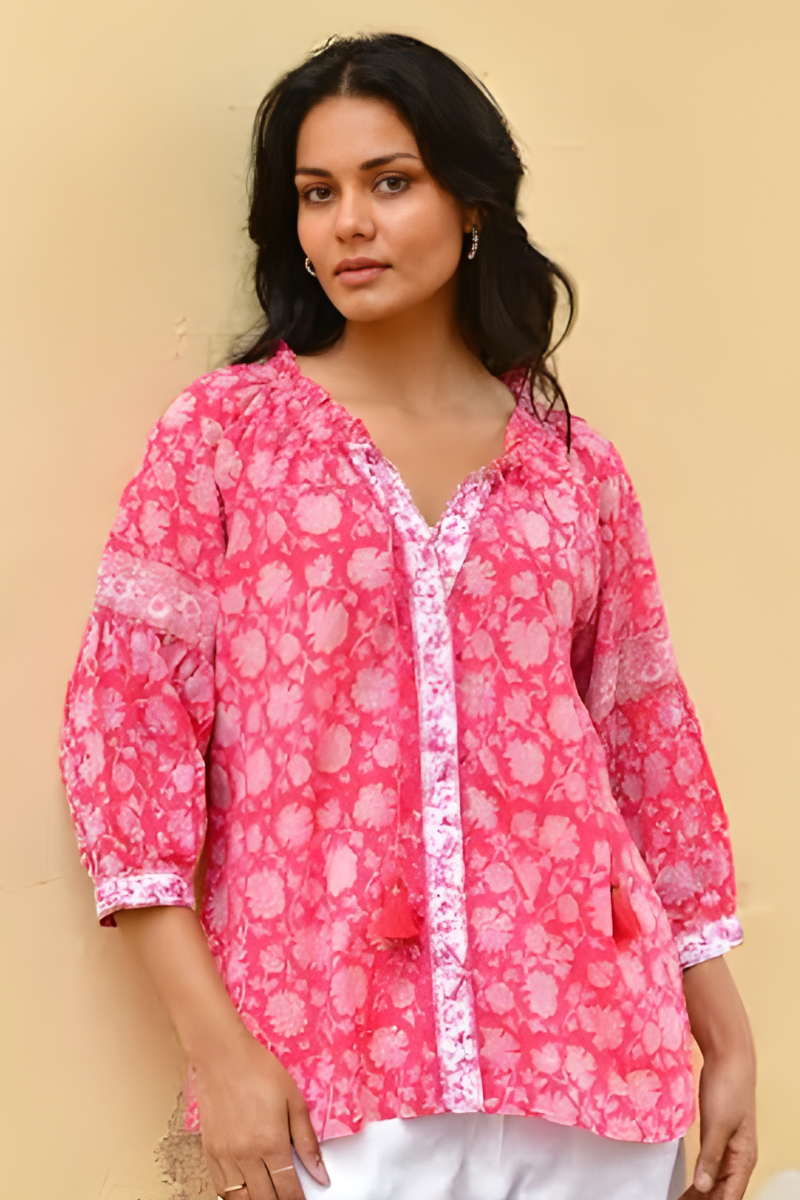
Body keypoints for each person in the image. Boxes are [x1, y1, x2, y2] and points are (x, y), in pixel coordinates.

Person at [60, 32, 757, 1200]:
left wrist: (723, 1038)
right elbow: (126, 730)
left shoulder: (571, 469)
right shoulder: (225, 441)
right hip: (326, 1071)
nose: (348, 224)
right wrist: (215, 1048)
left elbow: (641, 746)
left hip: (589, 1067)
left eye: (390, 183)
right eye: (316, 193)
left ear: (471, 204)